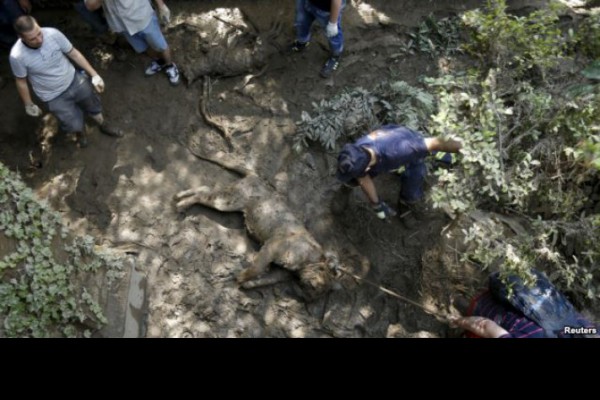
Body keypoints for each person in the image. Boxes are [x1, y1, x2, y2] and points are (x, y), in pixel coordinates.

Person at [9, 15, 122, 148]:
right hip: (52, 95)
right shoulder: (17, 56)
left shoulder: (53, 34)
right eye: (32, 39)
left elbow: (73, 53)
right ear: (21, 38)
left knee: (91, 101)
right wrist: (28, 103)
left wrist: (94, 74)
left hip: (73, 79)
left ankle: (103, 124)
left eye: (39, 33)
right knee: (70, 121)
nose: (39, 39)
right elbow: (21, 81)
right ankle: (79, 133)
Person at [335, 125, 462, 220]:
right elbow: (363, 178)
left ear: (367, 169)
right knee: (354, 176)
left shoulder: (402, 151)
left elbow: (435, 143)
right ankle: (345, 189)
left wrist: (466, 147)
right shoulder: (358, 150)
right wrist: (377, 204)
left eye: (361, 174)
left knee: (414, 180)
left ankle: (406, 203)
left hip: (407, 143)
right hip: (390, 138)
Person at [450, 270, 598, 338]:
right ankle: (463, 306)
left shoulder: (587, 329)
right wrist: (458, 321)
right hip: (480, 307)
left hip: (506, 296)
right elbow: (484, 326)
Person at [84, 0, 180, 86]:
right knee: (142, 48)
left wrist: (161, 5)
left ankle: (170, 65)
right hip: (122, 25)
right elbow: (90, 6)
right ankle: (160, 62)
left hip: (142, 16)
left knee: (160, 45)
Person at [292, 0, 345, 78]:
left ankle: (335, 55)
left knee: (333, 36)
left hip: (326, 9)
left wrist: (333, 23)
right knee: (301, 23)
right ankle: (302, 42)